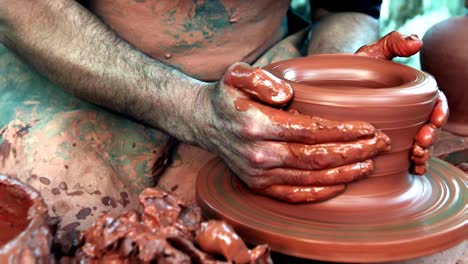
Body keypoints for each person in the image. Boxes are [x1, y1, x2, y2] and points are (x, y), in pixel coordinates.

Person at [0, 0, 445, 238]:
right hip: (80, 56)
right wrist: (193, 111)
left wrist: (342, 85)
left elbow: (346, 7)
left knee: (328, 187)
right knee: (58, 219)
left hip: (261, 66)